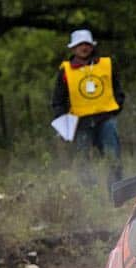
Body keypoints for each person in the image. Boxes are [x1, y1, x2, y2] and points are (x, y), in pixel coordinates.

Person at [51, 28, 125, 187]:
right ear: (73, 48)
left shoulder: (106, 64)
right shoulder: (65, 70)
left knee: (113, 157)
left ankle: (118, 193)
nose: (83, 47)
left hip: (105, 119)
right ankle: (89, 193)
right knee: (82, 162)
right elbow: (58, 100)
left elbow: (117, 88)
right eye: (79, 44)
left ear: (92, 46)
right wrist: (63, 123)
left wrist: (116, 107)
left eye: (86, 44)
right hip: (80, 123)